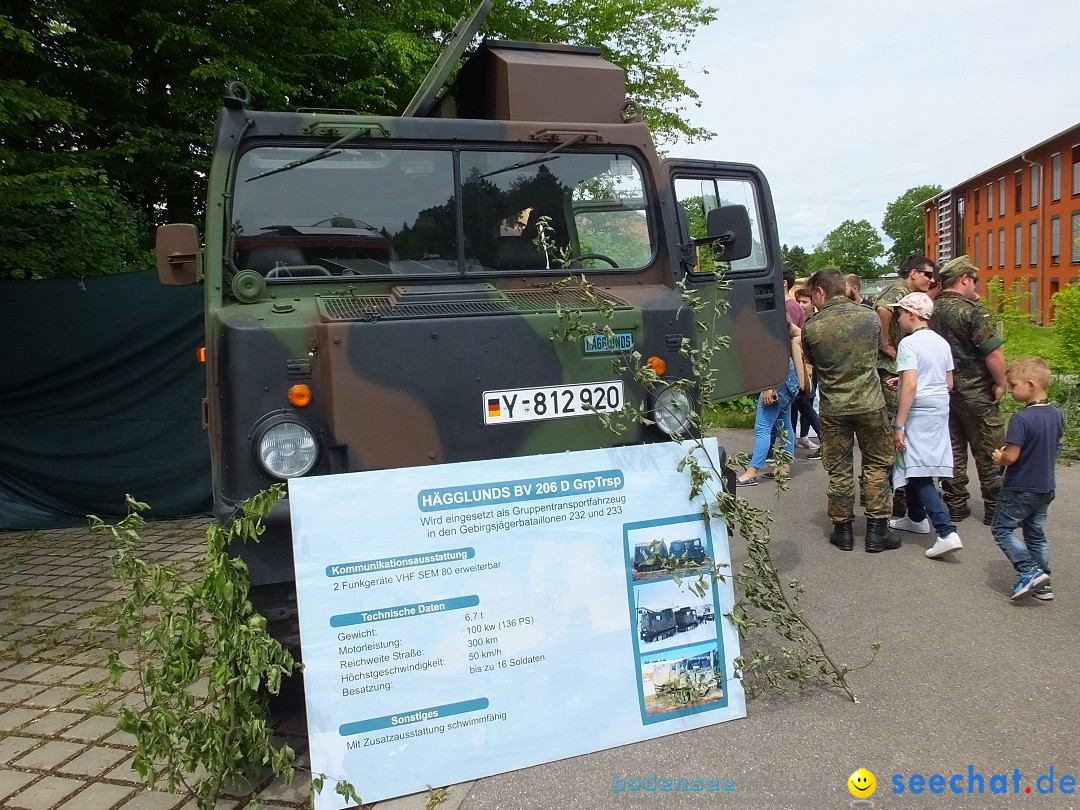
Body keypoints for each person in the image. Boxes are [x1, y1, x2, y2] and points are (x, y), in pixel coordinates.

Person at [801, 268, 898, 552]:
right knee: (877, 464)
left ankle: (842, 531)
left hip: (834, 408)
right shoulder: (869, 317)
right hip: (870, 403)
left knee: (839, 468)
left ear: (820, 291)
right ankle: (877, 531)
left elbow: (811, 359)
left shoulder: (813, 326)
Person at [929, 255, 1006, 525]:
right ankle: (994, 506)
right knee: (989, 449)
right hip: (976, 393)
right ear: (964, 279)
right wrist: (1001, 382)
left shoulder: (929, 309)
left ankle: (955, 504)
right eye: (974, 280)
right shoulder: (972, 311)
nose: (976, 286)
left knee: (951, 449)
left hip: (941, 392)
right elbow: (993, 353)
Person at [886, 292, 962, 558]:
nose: (898, 317)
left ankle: (946, 531)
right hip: (940, 407)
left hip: (918, 410)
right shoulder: (941, 342)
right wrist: (904, 379)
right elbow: (948, 382)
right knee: (922, 464)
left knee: (916, 470)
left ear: (912, 315)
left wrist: (899, 424)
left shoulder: (908, 344)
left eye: (900, 313)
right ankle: (916, 517)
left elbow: (912, 385)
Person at [990, 356, 1063, 601]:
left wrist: (999, 458)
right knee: (1035, 532)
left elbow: (1011, 456)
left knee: (1001, 528)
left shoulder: (1021, 419)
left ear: (1030, 385)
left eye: (1013, 386)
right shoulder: (1056, 414)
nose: (1011, 391)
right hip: (1045, 485)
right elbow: (1059, 443)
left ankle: (1028, 570)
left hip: (1020, 486)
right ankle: (1043, 582)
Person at [875, 256, 936, 515]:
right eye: (927, 274)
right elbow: (882, 310)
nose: (930, 280)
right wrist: (885, 342)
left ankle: (901, 492)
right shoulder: (899, 290)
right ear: (913, 273)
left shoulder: (909, 291)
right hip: (890, 368)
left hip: (898, 368)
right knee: (892, 432)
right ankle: (891, 495)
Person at [737, 321, 802, 487]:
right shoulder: (780, 319)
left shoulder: (766, 322)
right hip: (790, 377)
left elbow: (770, 355)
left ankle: (752, 473)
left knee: (763, 428)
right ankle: (784, 467)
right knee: (785, 425)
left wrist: (769, 388)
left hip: (776, 379)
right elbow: (799, 333)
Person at [792, 286, 821, 459]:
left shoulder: (813, 320)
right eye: (799, 301)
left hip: (809, 369)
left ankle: (814, 435)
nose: (801, 305)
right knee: (801, 404)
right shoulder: (802, 319)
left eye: (805, 301)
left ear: (813, 303)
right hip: (802, 368)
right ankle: (801, 437)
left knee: (805, 402)